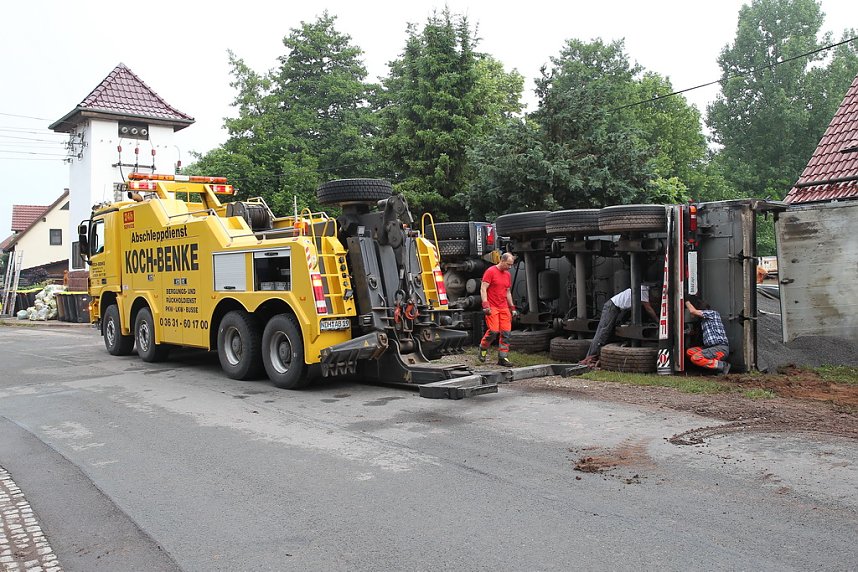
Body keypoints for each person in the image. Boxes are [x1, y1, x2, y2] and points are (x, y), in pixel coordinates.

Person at [579, 284, 659, 366]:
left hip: (616, 308)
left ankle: (594, 357)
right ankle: (589, 358)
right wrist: (658, 320)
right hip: (612, 307)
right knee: (602, 333)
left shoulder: (640, 289)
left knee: (606, 332)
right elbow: (648, 308)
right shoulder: (642, 290)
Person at [478, 252, 518, 367]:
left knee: (506, 333)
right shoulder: (490, 271)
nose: (510, 267)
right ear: (502, 260)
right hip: (492, 307)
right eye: (508, 264)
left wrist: (512, 308)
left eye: (511, 265)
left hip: (504, 307)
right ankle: (483, 348)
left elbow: (508, 292)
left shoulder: (507, 275)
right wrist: (485, 305)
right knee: (494, 331)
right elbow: (483, 289)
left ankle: (502, 358)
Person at [685, 298, 731, 375]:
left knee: (696, 358)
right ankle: (713, 368)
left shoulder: (712, 313)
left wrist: (687, 301)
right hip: (710, 348)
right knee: (690, 352)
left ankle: (723, 366)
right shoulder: (703, 322)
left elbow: (693, 311)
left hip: (720, 348)